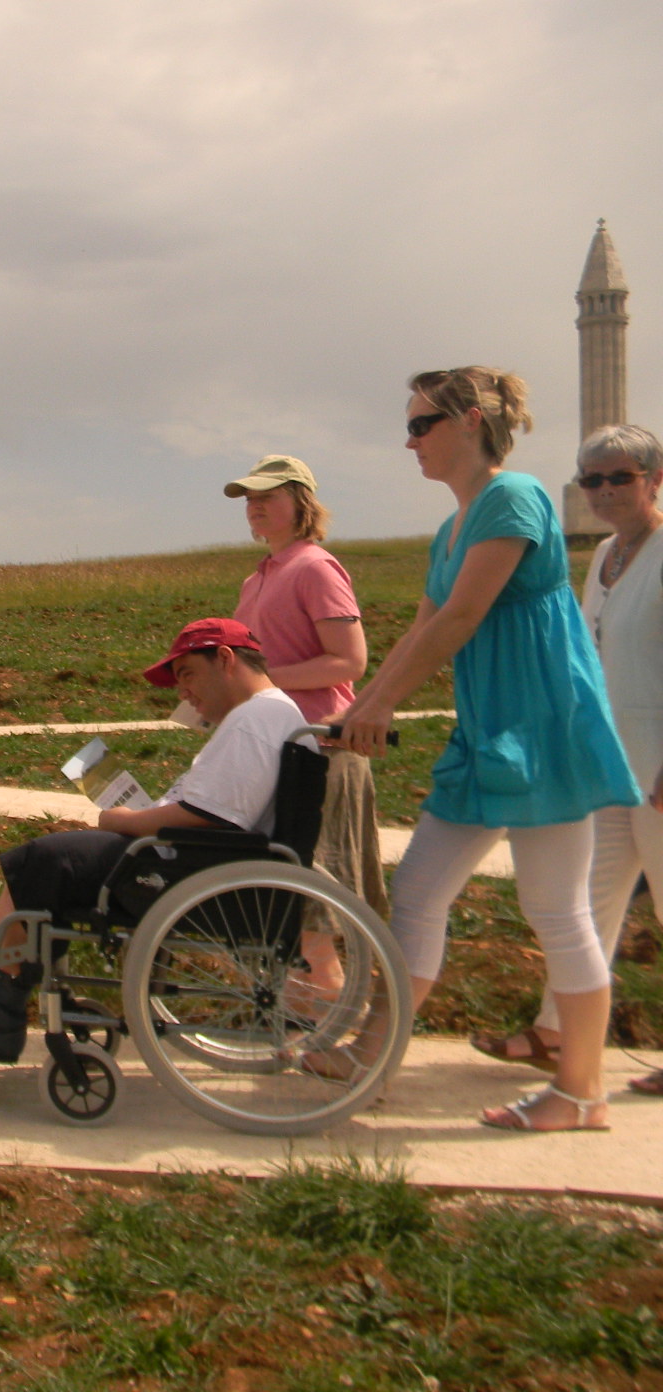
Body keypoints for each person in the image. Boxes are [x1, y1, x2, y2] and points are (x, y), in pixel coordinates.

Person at [335, 367, 636, 1132]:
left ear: (469, 420)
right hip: (488, 731)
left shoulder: (515, 497)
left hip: (542, 725)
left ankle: (581, 1092)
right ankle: (371, 1056)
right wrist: (363, 708)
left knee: (556, 911)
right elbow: (423, 625)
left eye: (420, 425)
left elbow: (463, 617)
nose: (409, 441)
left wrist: (384, 705)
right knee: (420, 891)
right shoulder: (452, 527)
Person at [0, 618, 313, 1062]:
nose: (183, 694)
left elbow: (211, 816)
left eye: (188, 675)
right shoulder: (270, 715)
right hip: (197, 865)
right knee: (54, 859)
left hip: (184, 873)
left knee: (48, 858)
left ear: (226, 659)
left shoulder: (256, 718)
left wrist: (125, 821)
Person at [470, 423, 663, 1097]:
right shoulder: (605, 554)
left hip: (661, 767)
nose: (605, 490)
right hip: (608, 765)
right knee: (588, 902)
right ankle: (558, 1033)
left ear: (655, 480)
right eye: (593, 479)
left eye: (621, 477)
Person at [224, 456, 383, 915]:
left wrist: (260, 684)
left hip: (321, 752)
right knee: (289, 911)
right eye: (250, 499)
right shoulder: (255, 579)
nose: (254, 506)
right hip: (277, 751)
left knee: (319, 913)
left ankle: (353, 986)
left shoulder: (316, 567)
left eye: (267, 496)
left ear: (301, 502)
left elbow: (350, 661)